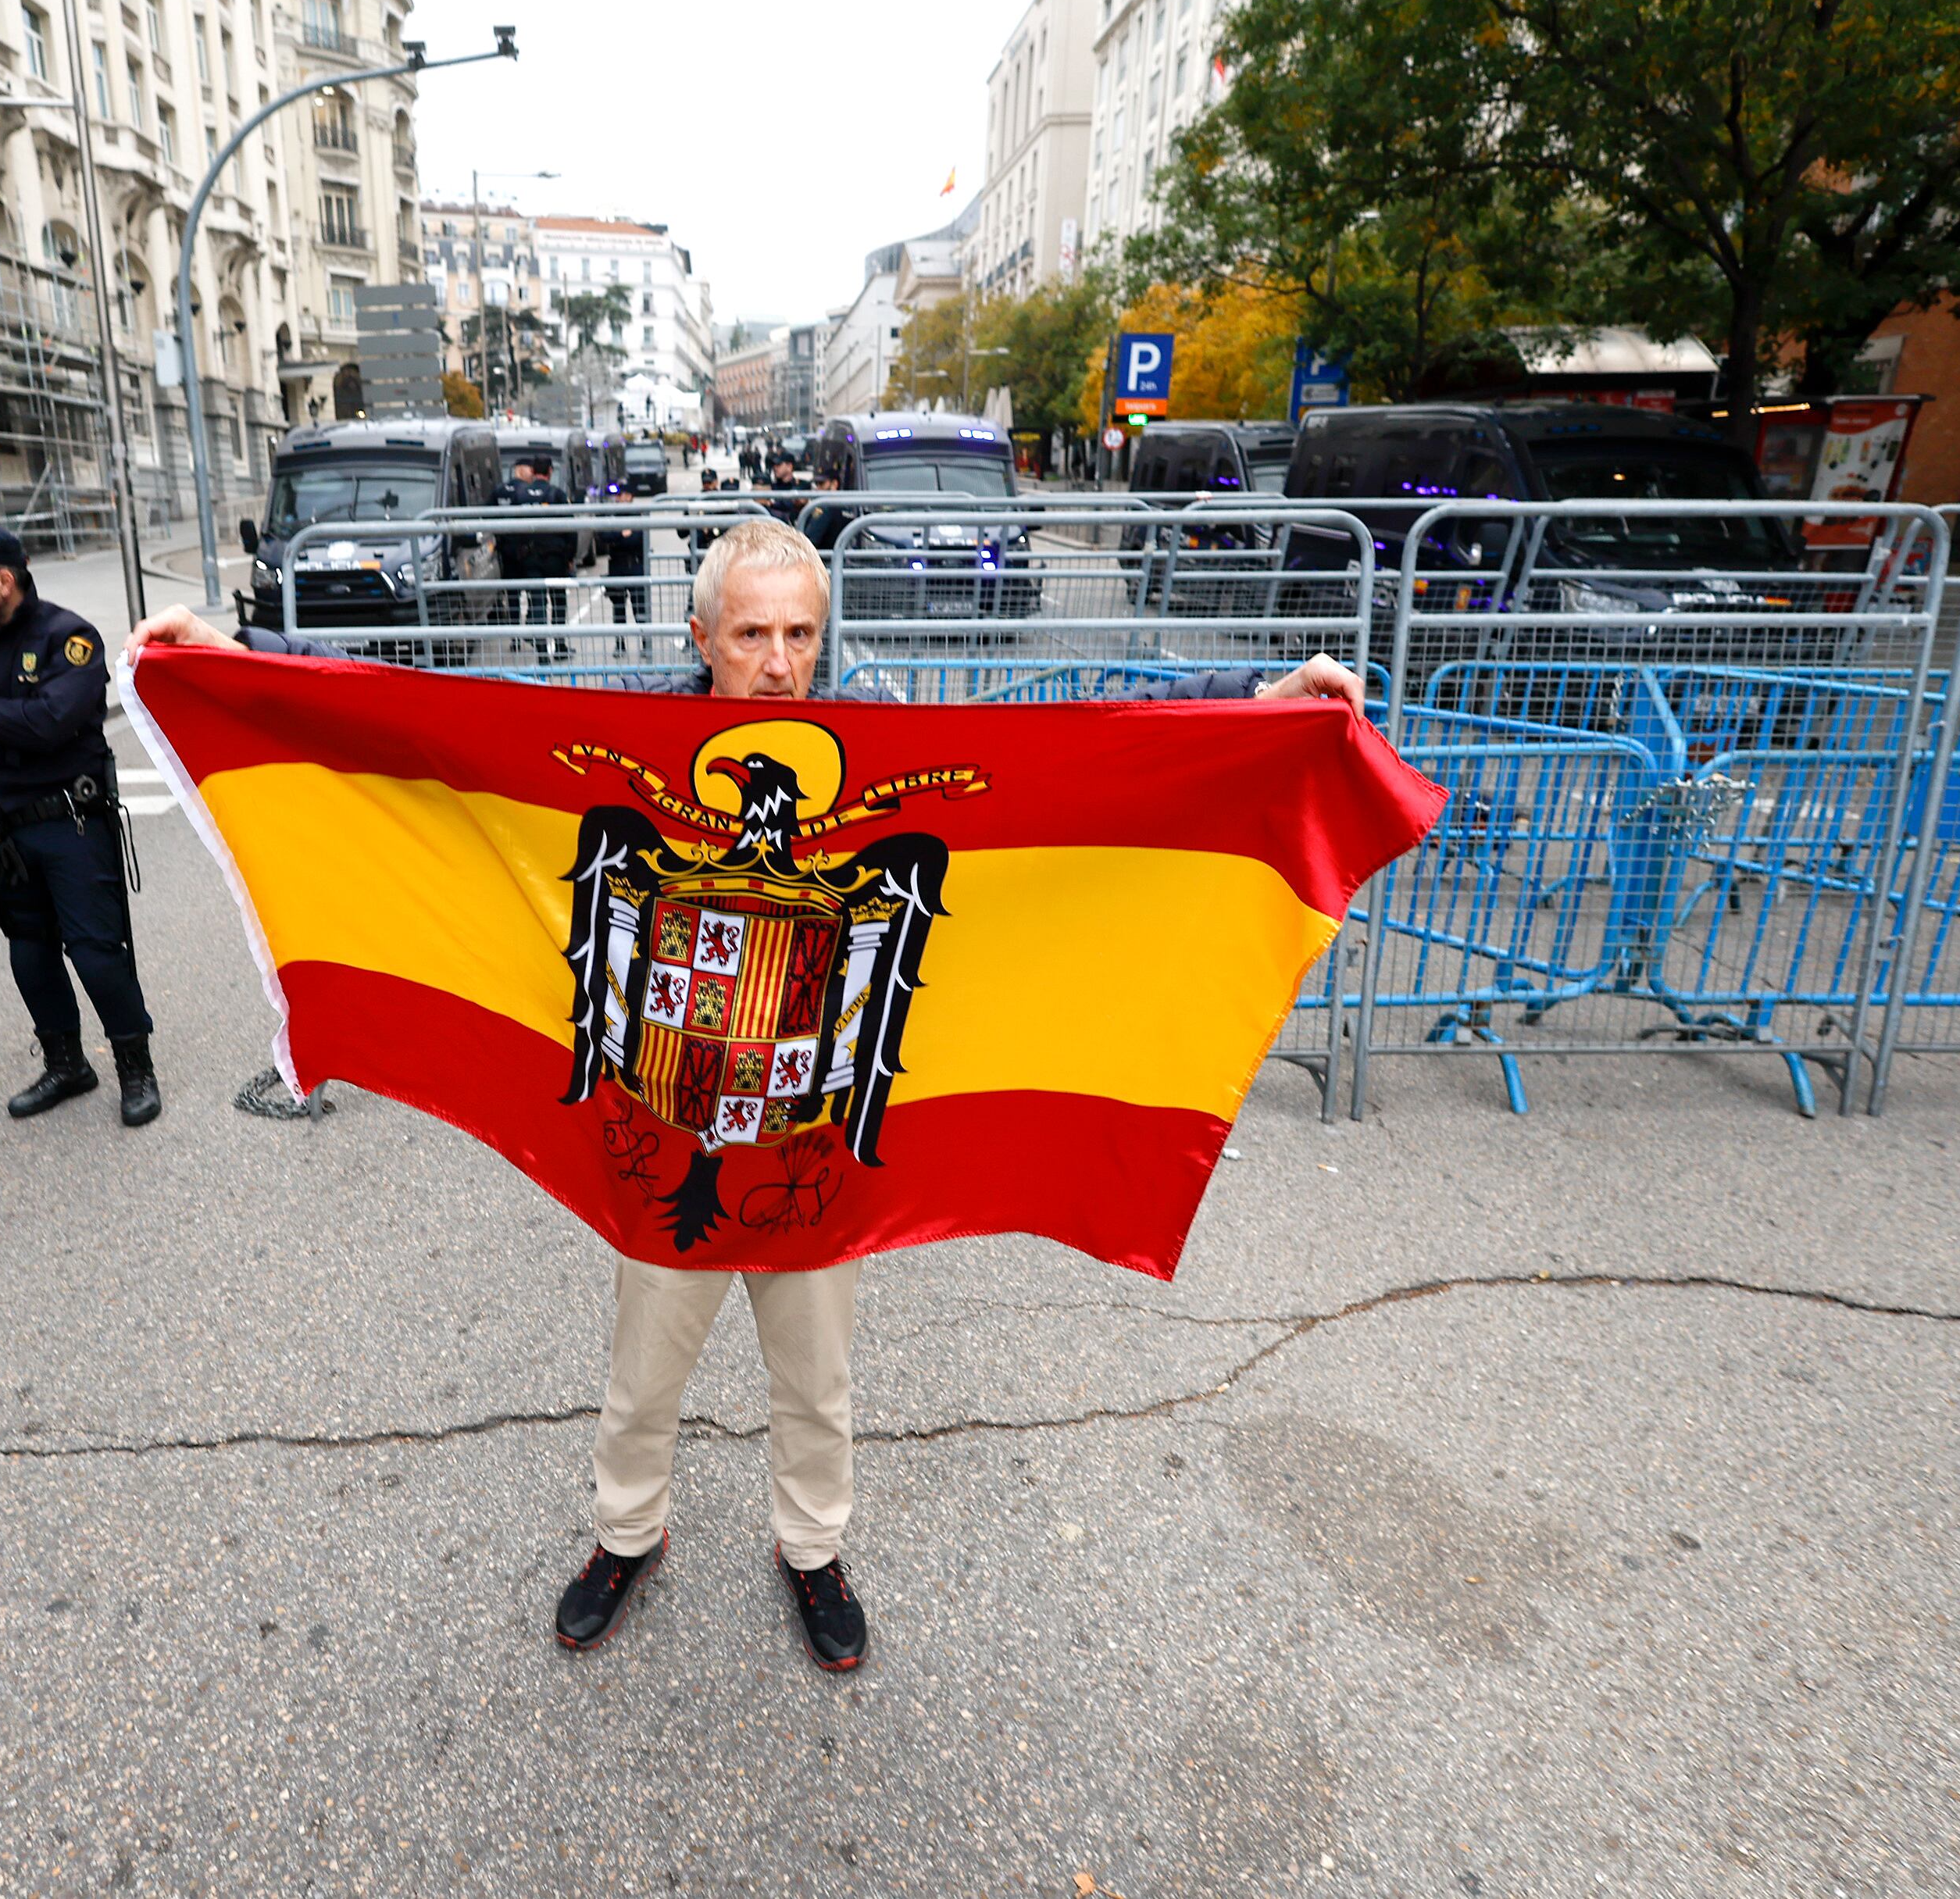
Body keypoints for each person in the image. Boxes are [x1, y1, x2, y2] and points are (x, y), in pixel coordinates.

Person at [121, 519, 1358, 1672]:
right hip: (666, 1118)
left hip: (819, 1126)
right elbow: (425, 723)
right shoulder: (619, 740)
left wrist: (1249, 708)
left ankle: (811, 1551)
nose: (780, 662)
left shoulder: (888, 751)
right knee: (645, 1366)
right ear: (701, 636)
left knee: (817, 1375)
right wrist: (253, 658)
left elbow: (1079, 756)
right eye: (755, 635)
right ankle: (628, 1532)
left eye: (802, 634)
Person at [0, 519, 162, 1126]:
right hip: (2, 826)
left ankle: (136, 1066)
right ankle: (66, 1063)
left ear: (5, 579)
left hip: (71, 821)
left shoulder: (67, 636)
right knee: (29, 953)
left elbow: (54, 721)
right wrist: (16, 721)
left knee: (97, 954)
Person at [491, 455, 573, 626]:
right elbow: (570, 529)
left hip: (530, 558)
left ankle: (541, 649)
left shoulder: (520, 495)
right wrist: (570, 556)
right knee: (558, 601)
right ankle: (560, 647)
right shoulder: (557, 494)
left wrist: (518, 553)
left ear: (533, 471)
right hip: (555, 558)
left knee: (537, 603)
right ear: (550, 471)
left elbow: (512, 528)